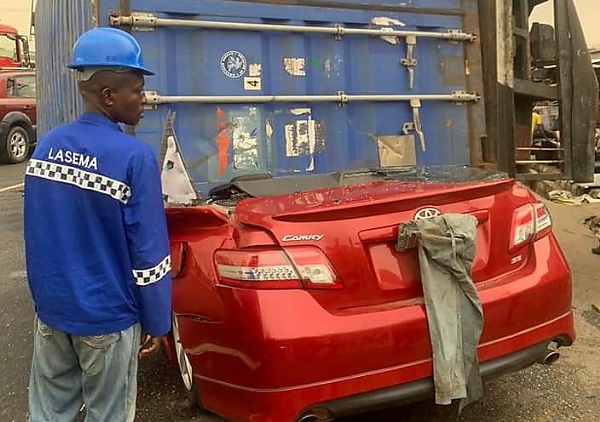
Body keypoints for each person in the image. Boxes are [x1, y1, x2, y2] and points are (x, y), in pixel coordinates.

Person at [24, 27, 172, 422]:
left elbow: (39, 231)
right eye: (137, 90)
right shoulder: (133, 157)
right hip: (106, 316)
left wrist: (45, 301)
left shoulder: (45, 148)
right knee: (109, 414)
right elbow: (148, 252)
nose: (144, 99)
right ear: (109, 96)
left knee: (48, 412)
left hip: (53, 313)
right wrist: (157, 320)